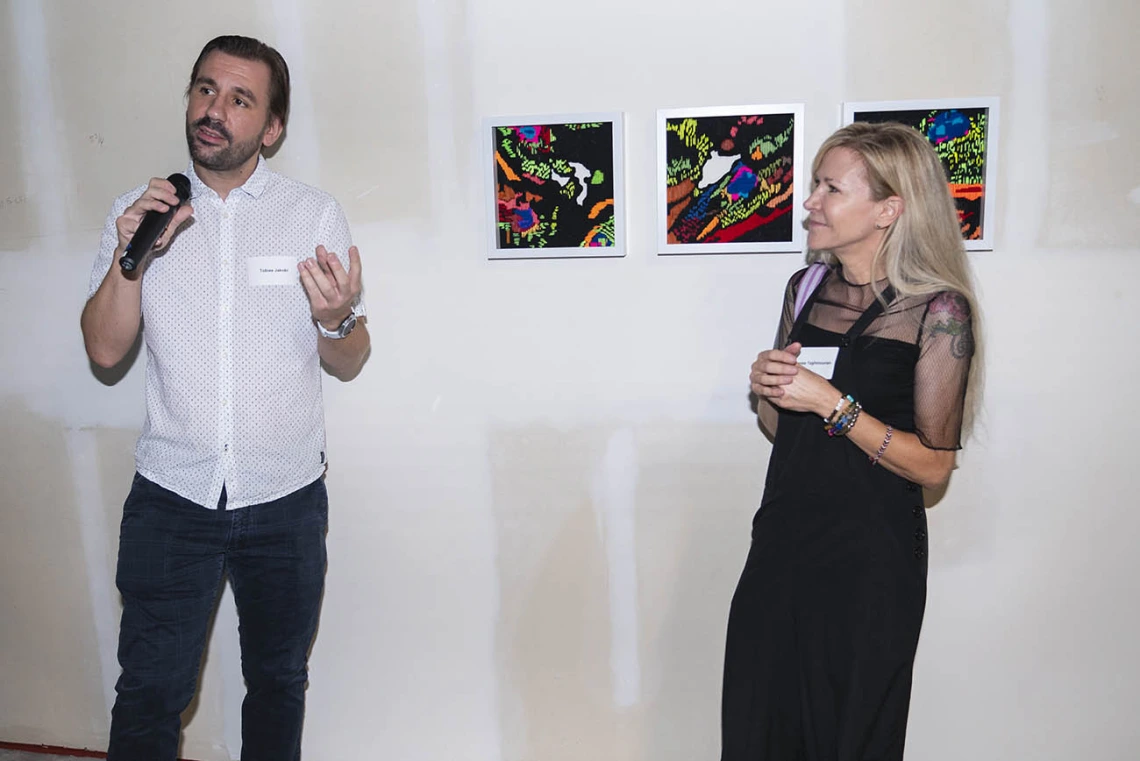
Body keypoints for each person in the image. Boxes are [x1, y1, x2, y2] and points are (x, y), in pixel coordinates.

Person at [80, 35, 370, 760]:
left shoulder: (312, 215)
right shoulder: (139, 212)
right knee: (149, 690)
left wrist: (338, 315)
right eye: (205, 89)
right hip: (172, 498)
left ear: (271, 127)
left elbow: (351, 354)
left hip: (286, 501)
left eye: (240, 99)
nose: (215, 109)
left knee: (278, 682)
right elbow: (105, 351)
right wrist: (130, 258)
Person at [721, 121, 982, 760]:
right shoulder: (804, 289)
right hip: (782, 543)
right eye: (815, 184)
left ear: (889, 208)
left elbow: (933, 467)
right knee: (761, 722)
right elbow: (785, 433)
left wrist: (835, 405)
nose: (810, 201)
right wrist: (771, 392)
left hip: (870, 562)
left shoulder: (938, 310)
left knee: (850, 730)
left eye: (830, 187)